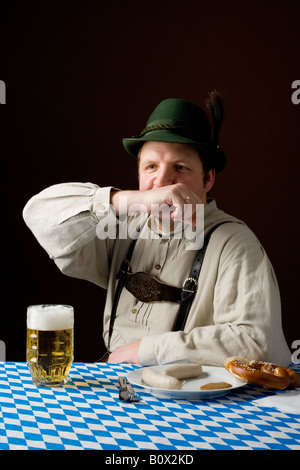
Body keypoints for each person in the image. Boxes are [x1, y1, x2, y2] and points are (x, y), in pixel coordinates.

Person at [23, 93, 291, 367]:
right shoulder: (122, 228)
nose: (162, 181)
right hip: (117, 386)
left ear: (208, 178)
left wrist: (147, 350)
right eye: (151, 167)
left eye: (180, 167)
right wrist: (125, 200)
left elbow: (258, 343)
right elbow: (39, 216)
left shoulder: (234, 244)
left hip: (194, 402)